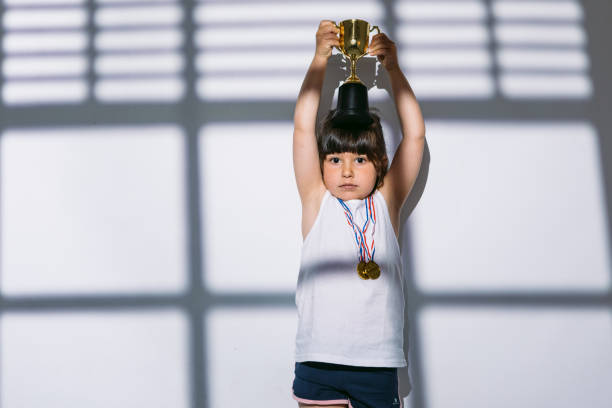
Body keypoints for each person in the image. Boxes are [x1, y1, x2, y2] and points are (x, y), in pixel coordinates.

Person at [291, 20, 426, 408]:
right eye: (335, 158)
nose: (347, 171)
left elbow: (414, 135)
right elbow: (303, 129)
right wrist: (319, 61)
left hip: (376, 364)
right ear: (322, 164)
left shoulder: (386, 204)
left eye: (360, 158)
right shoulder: (317, 201)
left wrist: (394, 71)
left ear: (380, 163)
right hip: (318, 361)